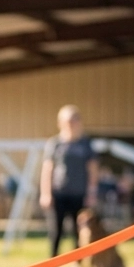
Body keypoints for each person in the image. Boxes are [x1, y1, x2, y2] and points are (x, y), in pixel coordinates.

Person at [39, 105, 99, 258]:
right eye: (67, 121)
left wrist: (92, 192)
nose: (71, 124)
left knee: (77, 231)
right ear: (60, 123)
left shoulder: (85, 144)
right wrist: (45, 193)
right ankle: (52, 263)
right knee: (56, 230)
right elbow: (47, 169)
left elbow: (92, 169)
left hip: (79, 193)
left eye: (74, 120)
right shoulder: (55, 144)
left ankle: (76, 263)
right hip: (59, 192)